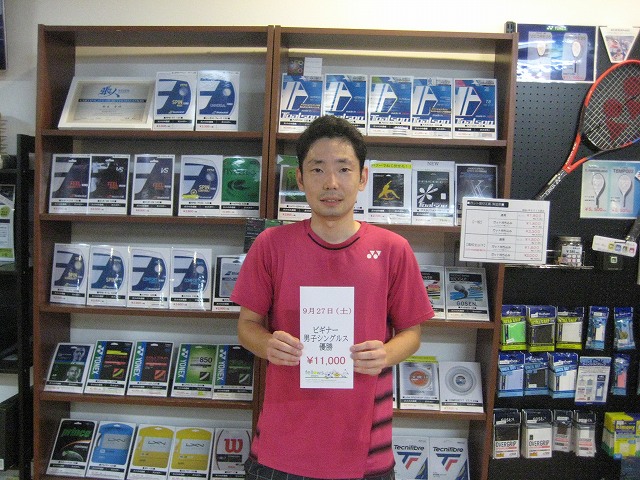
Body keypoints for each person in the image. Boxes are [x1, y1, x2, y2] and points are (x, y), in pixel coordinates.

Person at [231, 115, 434, 480]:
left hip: (365, 449)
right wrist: (268, 345)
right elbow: (247, 326)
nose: (331, 183)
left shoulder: (393, 249)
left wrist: (385, 354)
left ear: (363, 178)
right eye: (317, 169)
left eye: (343, 169)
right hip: (281, 446)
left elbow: (412, 333)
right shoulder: (271, 245)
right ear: (299, 178)